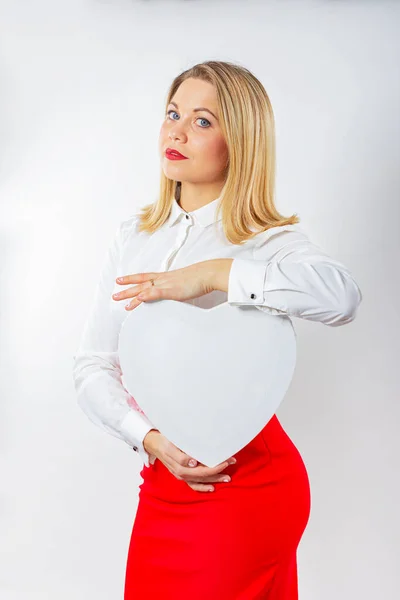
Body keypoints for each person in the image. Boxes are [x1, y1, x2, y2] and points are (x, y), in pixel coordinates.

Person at [72, 60, 362, 599]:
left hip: (248, 484)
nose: (177, 131)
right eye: (172, 113)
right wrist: (150, 440)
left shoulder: (265, 240)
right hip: (164, 480)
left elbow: (341, 298)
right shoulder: (134, 236)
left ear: (242, 141)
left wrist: (215, 275)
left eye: (203, 121)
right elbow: (93, 365)